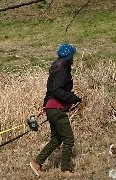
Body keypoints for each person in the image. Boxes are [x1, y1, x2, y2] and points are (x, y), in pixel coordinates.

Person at [29, 43, 82, 176]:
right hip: (56, 109)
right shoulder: (63, 72)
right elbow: (57, 91)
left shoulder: (55, 70)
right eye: (72, 56)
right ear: (69, 57)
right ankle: (65, 169)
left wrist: (45, 106)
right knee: (68, 139)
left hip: (51, 108)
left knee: (56, 139)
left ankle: (36, 163)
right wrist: (73, 98)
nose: (73, 58)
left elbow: (50, 91)